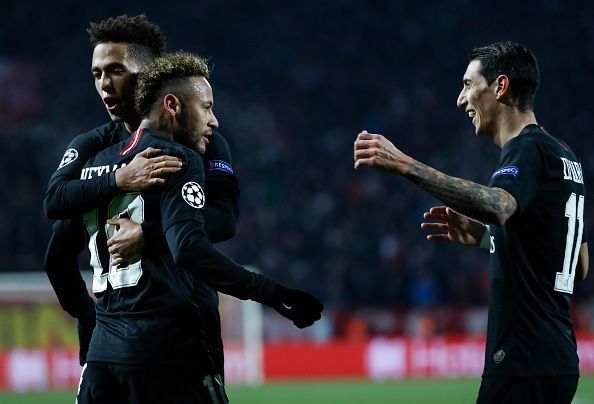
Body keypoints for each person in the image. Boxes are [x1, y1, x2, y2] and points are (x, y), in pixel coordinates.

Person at [354, 41, 588, 404]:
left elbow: (498, 205)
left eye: (467, 85)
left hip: (521, 361)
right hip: (558, 360)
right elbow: (579, 263)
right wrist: (488, 239)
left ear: (500, 87)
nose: (461, 100)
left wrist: (405, 165)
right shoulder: (563, 155)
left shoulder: (524, 149)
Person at [43, 14, 240, 371]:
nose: (104, 84)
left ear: (148, 73)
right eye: (97, 74)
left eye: (115, 70)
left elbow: (225, 221)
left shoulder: (203, 140)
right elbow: (56, 228)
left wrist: (148, 235)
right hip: (115, 345)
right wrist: (89, 317)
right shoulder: (92, 148)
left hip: (190, 335)